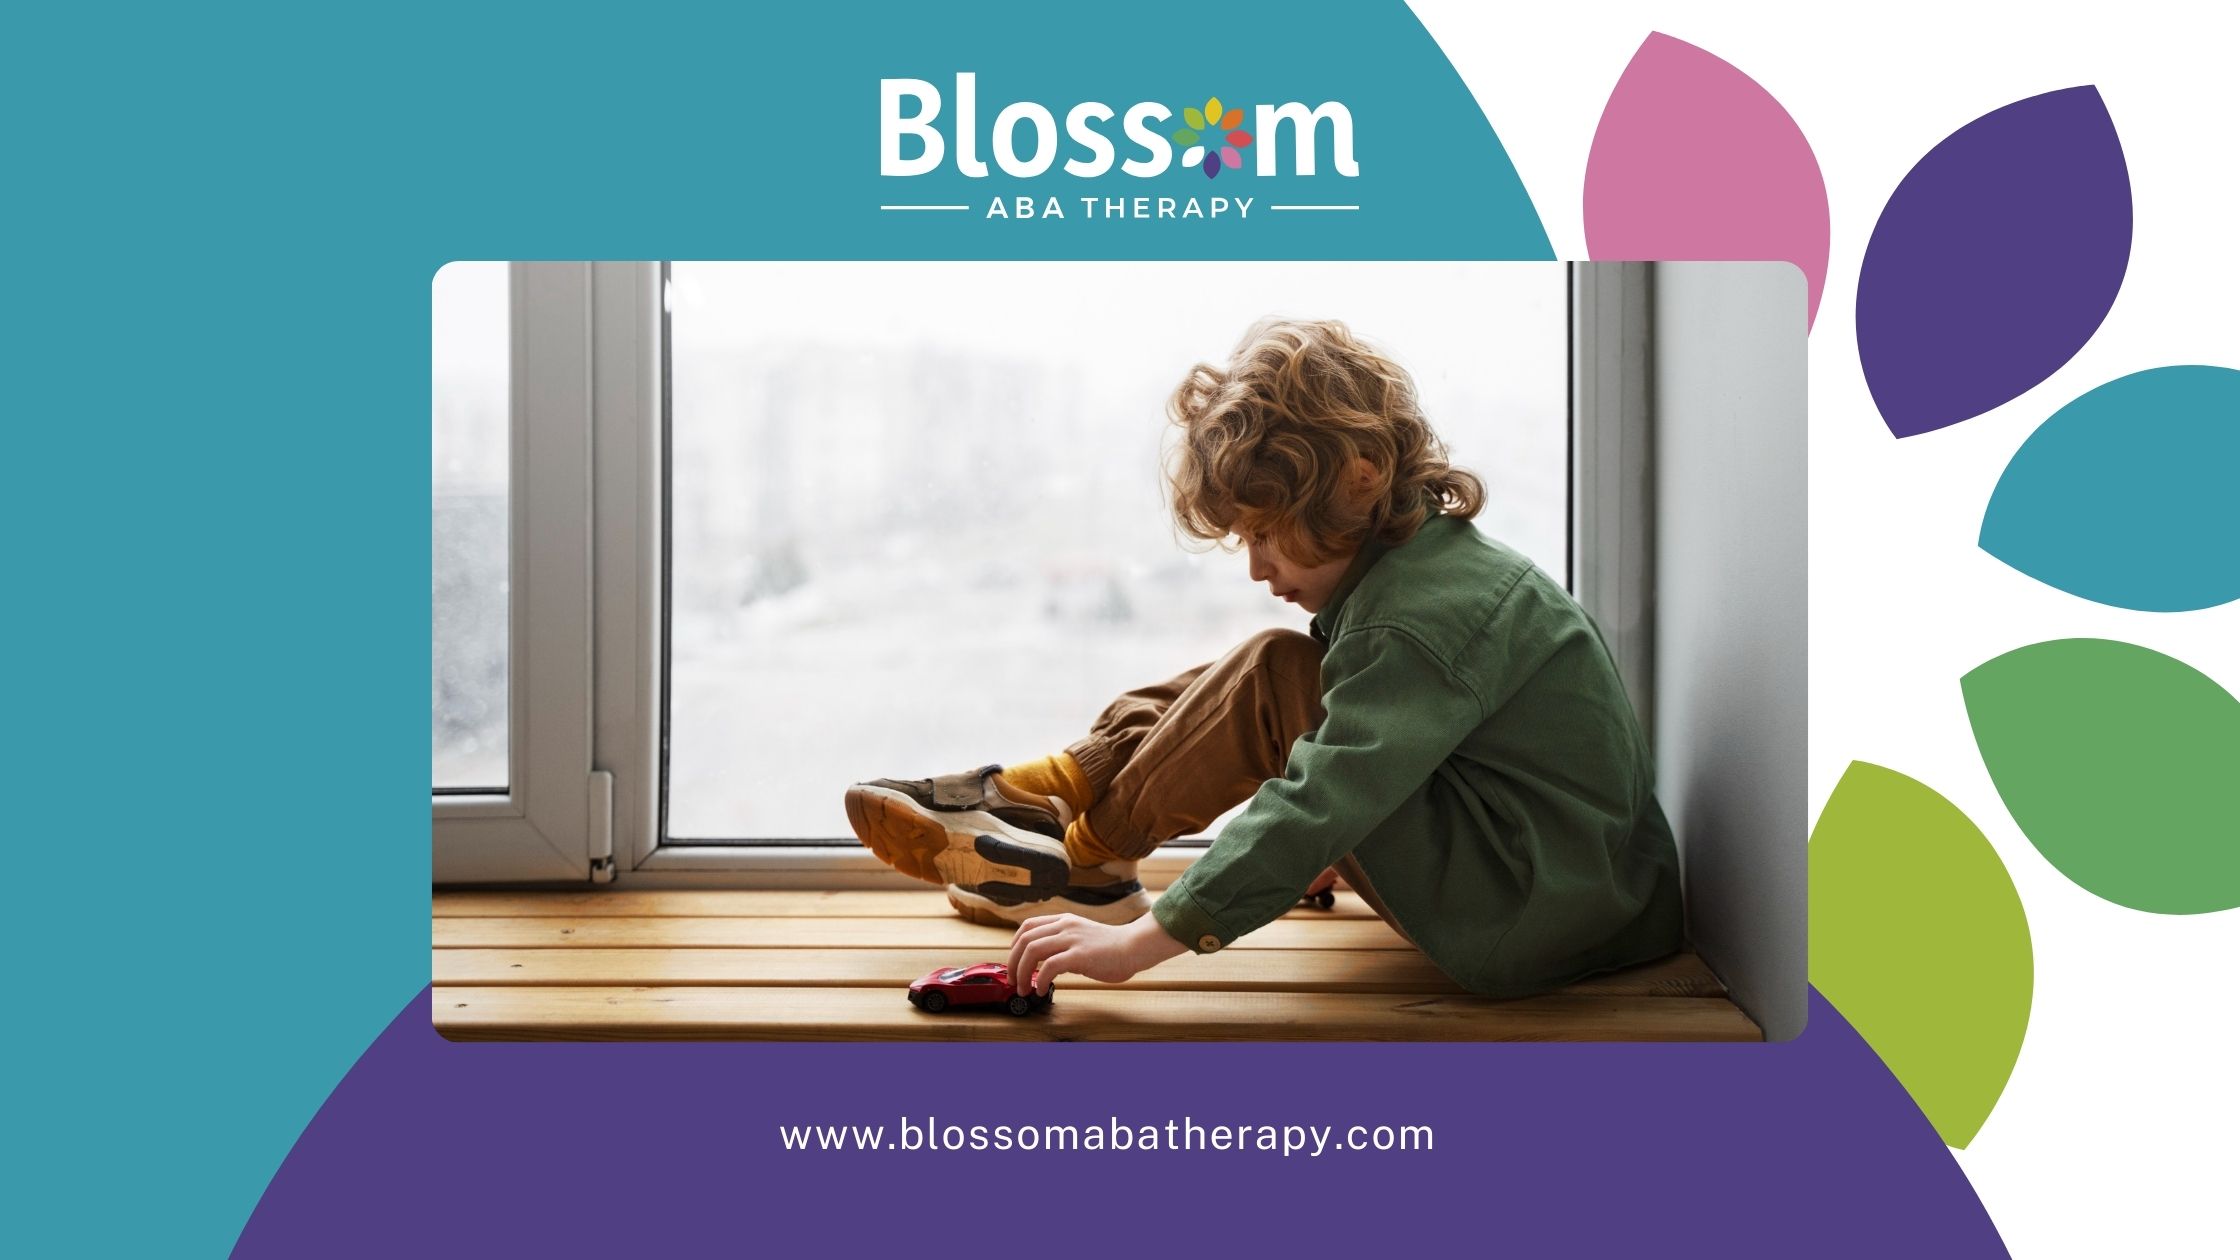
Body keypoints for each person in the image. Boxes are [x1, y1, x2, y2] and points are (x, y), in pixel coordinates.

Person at [843, 317, 1682, 1001]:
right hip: (1566, 892)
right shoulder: (1427, 577)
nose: (1256, 567)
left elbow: (1322, 795)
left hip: (1531, 917)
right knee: (1265, 672)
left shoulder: (1413, 622)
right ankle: (1046, 795)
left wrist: (1144, 942)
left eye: (1266, 534)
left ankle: (1088, 859)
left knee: (1277, 681)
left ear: (1360, 478)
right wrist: (1340, 856)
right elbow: (1416, 763)